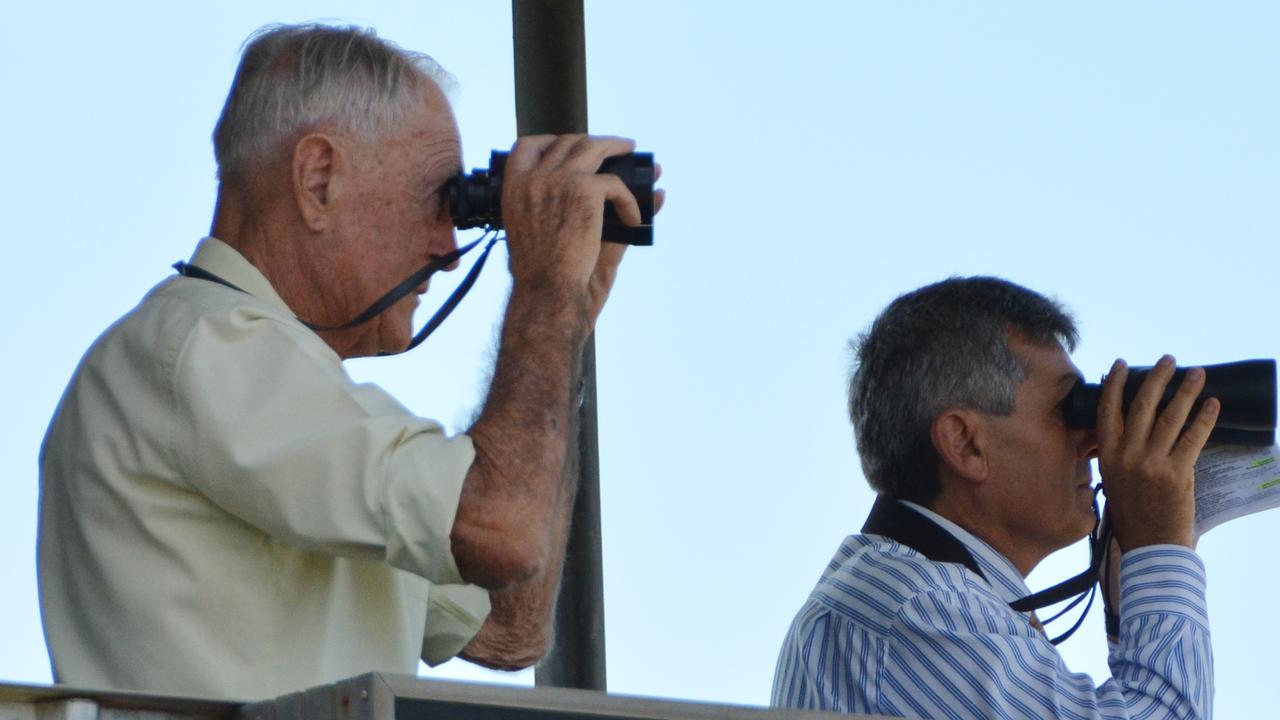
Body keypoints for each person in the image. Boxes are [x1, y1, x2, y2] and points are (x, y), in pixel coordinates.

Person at [38, 23, 653, 701]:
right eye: (438, 198)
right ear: (319, 179)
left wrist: (567, 314)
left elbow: (511, 625)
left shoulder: (274, 398)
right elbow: (505, 530)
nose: (449, 248)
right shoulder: (202, 346)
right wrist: (541, 291)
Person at [771, 276, 1217, 719]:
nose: (1094, 442)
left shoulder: (913, 593)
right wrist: (1160, 549)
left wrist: (1131, 607)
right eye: (1069, 410)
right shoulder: (917, 605)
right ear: (965, 444)